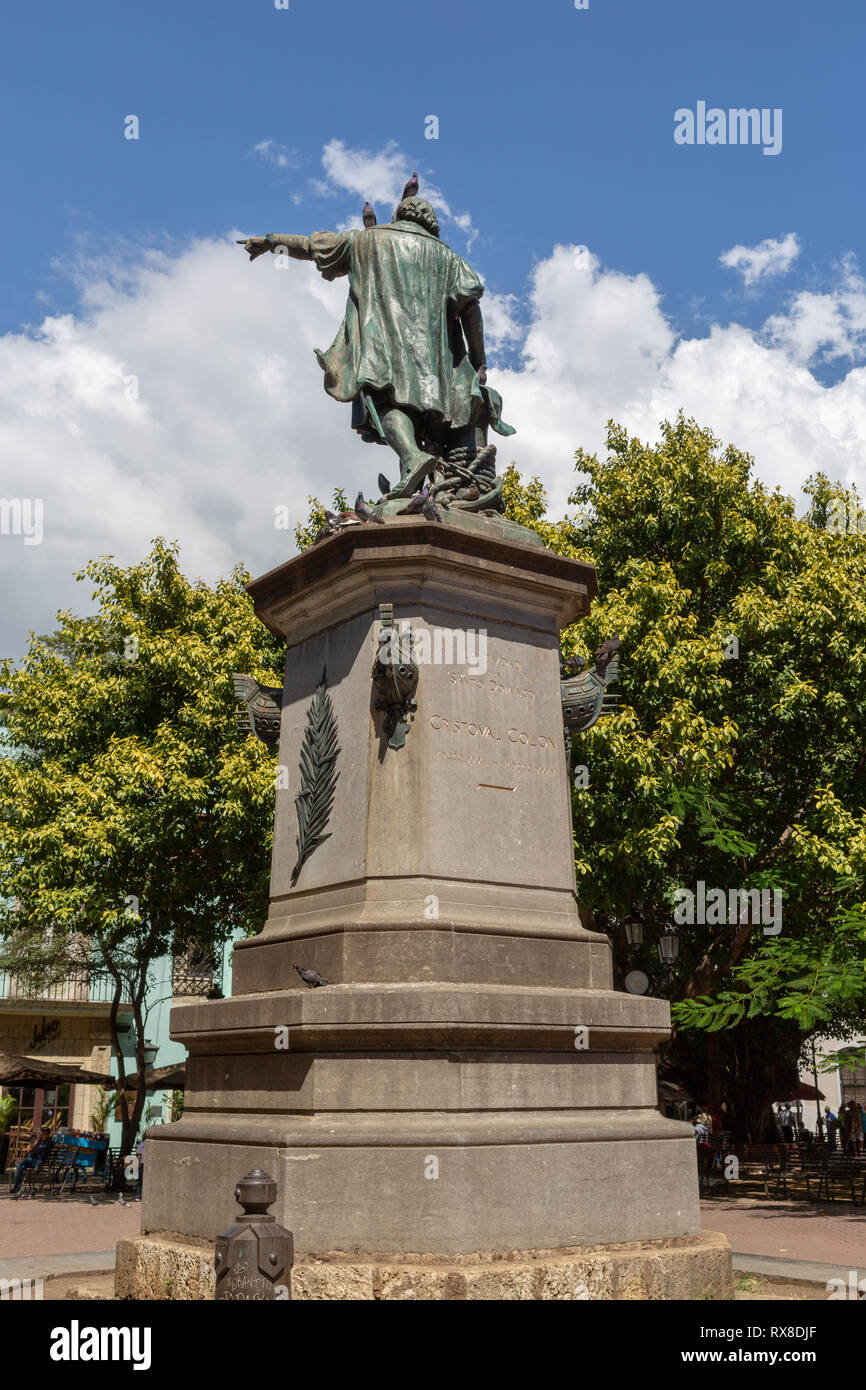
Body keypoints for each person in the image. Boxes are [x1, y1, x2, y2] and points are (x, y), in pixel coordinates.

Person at [240, 193, 514, 502]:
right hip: (437, 363)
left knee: (389, 407)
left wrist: (270, 241)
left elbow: (312, 245)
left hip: (383, 350)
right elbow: (470, 308)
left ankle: (412, 457)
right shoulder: (451, 258)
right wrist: (480, 362)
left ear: (399, 215)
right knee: (443, 417)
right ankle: (430, 472)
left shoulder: (367, 241)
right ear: (432, 224)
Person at [9, 1126, 52, 1197]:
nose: (42, 1134)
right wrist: (35, 1142)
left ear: (48, 1134)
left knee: (39, 1163)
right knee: (19, 1166)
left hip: (39, 1160)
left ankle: (38, 1167)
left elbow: (57, 1145)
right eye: (42, 1133)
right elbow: (29, 1149)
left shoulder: (49, 1142)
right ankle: (17, 1187)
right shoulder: (37, 1141)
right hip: (30, 1159)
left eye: (44, 1133)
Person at [134, 1136, 145, 1201]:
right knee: (141, 1180)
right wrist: (140, 1161)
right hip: (143, 1164)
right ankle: (138, 1195)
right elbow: (137, 1154)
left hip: (151, 1165)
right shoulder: (142, 1144)